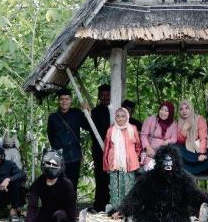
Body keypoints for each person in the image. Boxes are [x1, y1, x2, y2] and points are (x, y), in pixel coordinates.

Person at [113, 145, 208, 222]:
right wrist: (122, 210)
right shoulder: (148, 178)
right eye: (165, 161)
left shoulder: (184, 178)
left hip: (175, 216)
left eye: (170, 161)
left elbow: (196, 195)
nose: (168, 164)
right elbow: (135, 197)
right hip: (151, 216)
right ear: (159, 162)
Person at [20, 149, 78, 222]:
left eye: (54, 165)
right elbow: (32, 206)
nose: (51, 166)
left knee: (60, 215)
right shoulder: (38, 182)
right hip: (45, 211)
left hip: (61, 213)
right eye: (48, 164)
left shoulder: (66, 184)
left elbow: (71, 207)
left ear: (60, 166)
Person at [47, 88, 89, 197]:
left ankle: (71, 205)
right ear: (58, 101)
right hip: (60, 157)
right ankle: (60, 206)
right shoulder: (53, 117)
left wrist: (87, 112)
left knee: (73, 183)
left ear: (71, 100)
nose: (64, 101)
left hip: (75, 156)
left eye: (67, 99)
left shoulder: (77, 113)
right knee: (60, 184)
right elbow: (51, 137)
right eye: (61, 99)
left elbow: (88, 127)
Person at [103, 107, 141, 212]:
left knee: (129, 187)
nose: (120, 118)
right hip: (114, 163)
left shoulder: (132, 129)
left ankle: (127, 210)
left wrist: (133, 157)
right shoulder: (111, 130)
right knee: (115, 187)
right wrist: (106, 164)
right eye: (118, 116)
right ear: (115, 117)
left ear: (127, 117)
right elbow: (106, 148)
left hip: (129, 163)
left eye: (123, 116)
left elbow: (138, 146)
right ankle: (116, 210)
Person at [0, 142, 27, 222]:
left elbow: (22, 174)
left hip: (10, 194)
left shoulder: (9, 164)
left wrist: (8, 179)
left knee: (16, 181)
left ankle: (13, 211)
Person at [175, 99, 208, 175]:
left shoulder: (199, 119)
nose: (184, 111)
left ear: (191, 109)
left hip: (201, 149)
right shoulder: (179, 122)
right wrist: (184, 130)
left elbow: (203, 137)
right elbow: (180, 141)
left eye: (186, 108)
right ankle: (190, 167)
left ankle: (197, 167)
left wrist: (202, 153)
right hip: (189, 151)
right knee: (174, 146)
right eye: (181, 109)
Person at [90, 84, 112, 212]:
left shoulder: (116, 110)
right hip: (99, 150)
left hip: (114, 150)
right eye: (102, 95)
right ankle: (99, 205)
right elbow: (93, 131)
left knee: (113, 177)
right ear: (99, 96)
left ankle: (112, 204)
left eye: (108, 95)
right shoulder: (95, 111)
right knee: (100, 177)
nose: (105, 97)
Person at [140, 101, 178, 169]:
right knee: (150, 169)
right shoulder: (151, 119)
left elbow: (174, 138)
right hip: (150, 151)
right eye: (161, 109)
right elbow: (143, 135)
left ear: (170, 112)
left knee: (166, 169)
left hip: (164, 152)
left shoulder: (173, 124)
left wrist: (167, 141)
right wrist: (148, 147)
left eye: (166, 111)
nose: (163, 112)